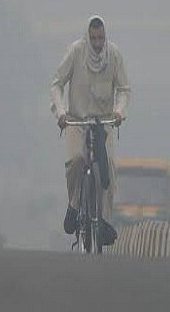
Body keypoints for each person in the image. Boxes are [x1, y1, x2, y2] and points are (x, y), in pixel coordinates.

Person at [51, 15, 130, 244]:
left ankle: (103, 221)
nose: (97, 43)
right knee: (76, 160)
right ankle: (74, 206)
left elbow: (124, 89)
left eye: (100, 38)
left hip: (103, 123)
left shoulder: (113, 56)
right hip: (77, 122)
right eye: (93, 38)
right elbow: (57, 83)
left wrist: (119, 112)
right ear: (88, 37)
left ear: (105, 37)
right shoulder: (76, 52)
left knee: (108, 169)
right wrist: (61, 112)